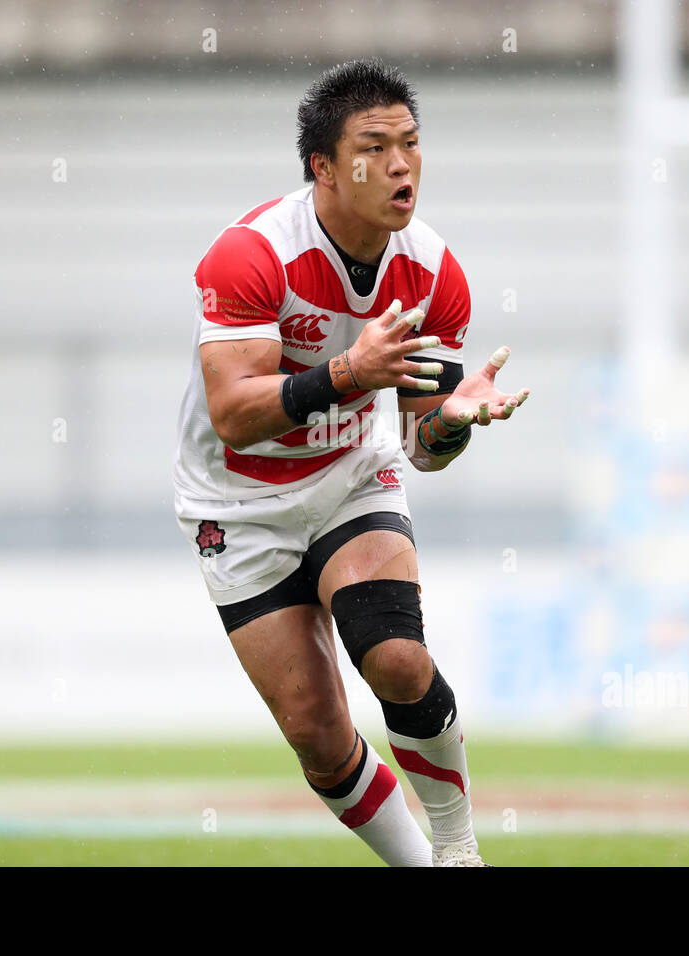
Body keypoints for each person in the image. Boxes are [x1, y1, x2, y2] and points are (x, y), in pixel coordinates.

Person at [172, 58, 529, 866]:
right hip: (236, 503)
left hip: (349, 480)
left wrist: (452, 425)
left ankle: (460, 849)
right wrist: (348, 373)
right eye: (377, 146)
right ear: (323, 168)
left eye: (411, 143)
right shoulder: (252, 254)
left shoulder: (434, 274)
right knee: (320, 736)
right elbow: (233, 416)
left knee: (398, 658)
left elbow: (421, 446)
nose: (402, 164)